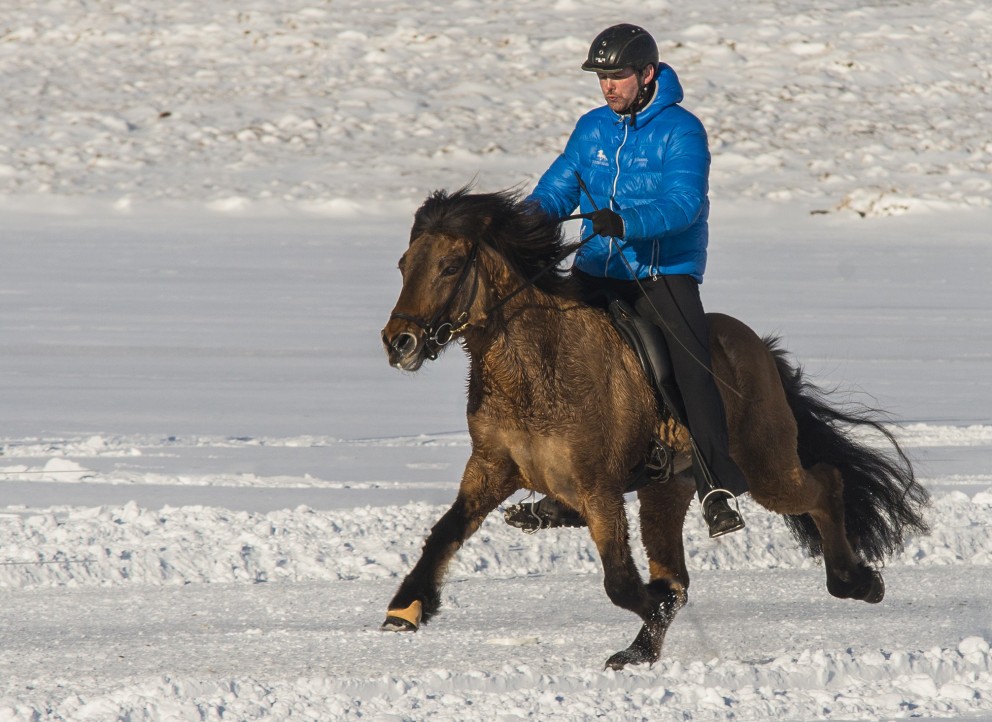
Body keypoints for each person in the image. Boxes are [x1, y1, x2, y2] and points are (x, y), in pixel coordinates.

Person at [506, 23, 747, 538]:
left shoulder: (682, 130)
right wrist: (519, 224)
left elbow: (684, 204)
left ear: (648, 74)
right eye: (602, 77)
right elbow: (555, 191)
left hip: (662, 273)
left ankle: (715, 485)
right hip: (597, 268)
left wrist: (629, 223)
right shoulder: (591, 128)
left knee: (688, 369)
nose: (608, 86)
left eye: (617, 76)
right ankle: (571, 483)